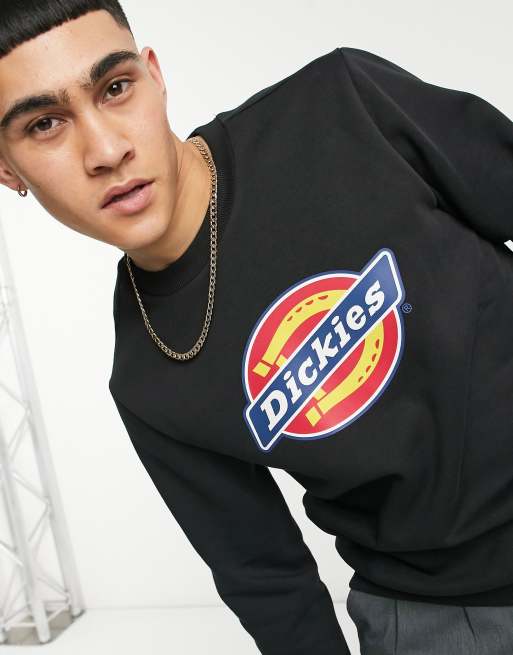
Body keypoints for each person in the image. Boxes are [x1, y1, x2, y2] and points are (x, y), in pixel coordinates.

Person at [1, 2, 512, 654]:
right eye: (45, 124)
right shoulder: (145, 378)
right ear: (7, 167)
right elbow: (266, 579)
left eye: (116, 87)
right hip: (442, 617)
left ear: (155, 76)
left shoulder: (341, 107)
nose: (106, 150)